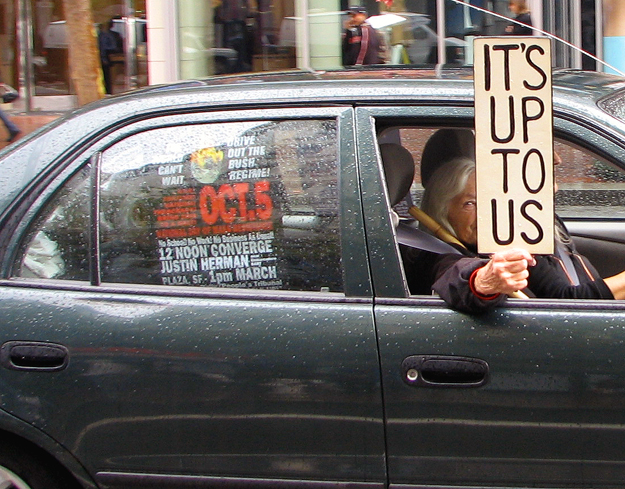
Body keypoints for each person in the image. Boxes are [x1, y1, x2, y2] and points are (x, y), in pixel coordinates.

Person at [399, 130, 625, 313]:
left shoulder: (515, 231)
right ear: (441, 209)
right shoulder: (435, 255)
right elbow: (458, 278)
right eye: (470, 204)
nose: (486, 212)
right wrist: (484, 281)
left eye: (490, 200)